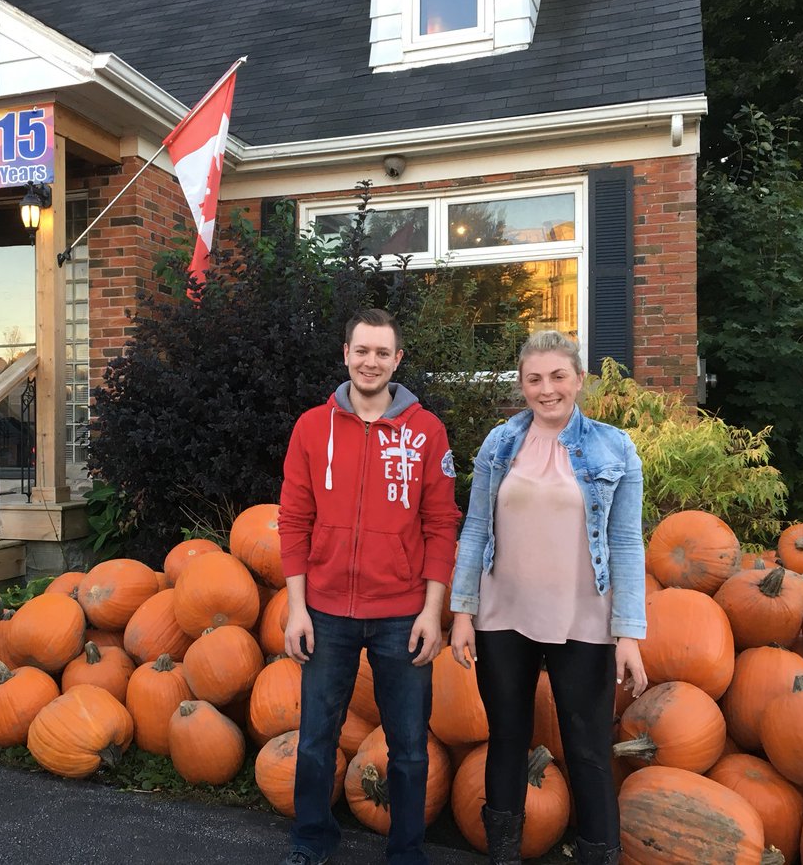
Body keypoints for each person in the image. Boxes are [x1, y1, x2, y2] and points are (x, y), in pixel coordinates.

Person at [449, 330, 648, 865]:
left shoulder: (614, 448)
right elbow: (474, 529)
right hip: (501, 615)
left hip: (583, 619)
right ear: (522, 384)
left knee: (586, 750)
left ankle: (598, 855)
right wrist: (462, 613)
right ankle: (504, 855)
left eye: (558, 376)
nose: (547, 389)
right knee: (507, 737)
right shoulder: (500, 444)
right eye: (534, 379)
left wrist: (629, 632)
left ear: (579, 380)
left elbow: (627, 542)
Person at [277, 308, 461, 865]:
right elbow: (293, 520)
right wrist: (296, 608)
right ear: (345, 354)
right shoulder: (312, 428)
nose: (371, 361)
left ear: (397, 360)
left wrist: (433, 611)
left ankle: (406, 851)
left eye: (382, 352)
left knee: (407, 746)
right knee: (314, 740)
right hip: (326, 611)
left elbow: (441, 524)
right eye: (362, 350)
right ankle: (312, 840)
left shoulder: (426, 432)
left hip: (402, 613)